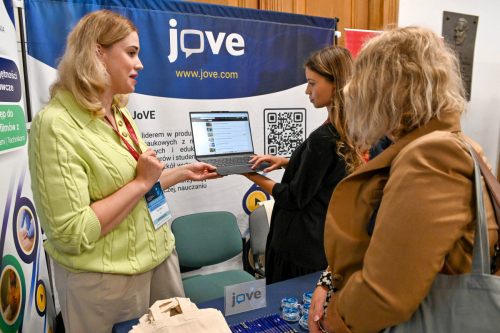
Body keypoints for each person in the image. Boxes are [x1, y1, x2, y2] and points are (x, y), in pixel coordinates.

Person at [28, 10, 219, 333]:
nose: (140, 64)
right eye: (131, 53)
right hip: (108, 283)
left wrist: (181, 173)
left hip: (159, 260)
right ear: (97, 52)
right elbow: (71, 233)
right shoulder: (55, 125)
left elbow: (140, 187)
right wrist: (143, 181)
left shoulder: (117, 112)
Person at [308, 26, 498, 333]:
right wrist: (329, 281)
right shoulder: (456, 144)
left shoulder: (431, 155)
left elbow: (385, 294)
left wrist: (335, 318)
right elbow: (393, 244)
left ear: (383, 90)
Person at [243, 46, 365, 284]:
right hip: (321, 241)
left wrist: (251, 175)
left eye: (312, 83)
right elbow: (328, 172)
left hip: (298, 248)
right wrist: (286, 162)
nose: (307, 91)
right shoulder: (352, 129)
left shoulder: (325, 137)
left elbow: (292, 197)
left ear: (336, 83)